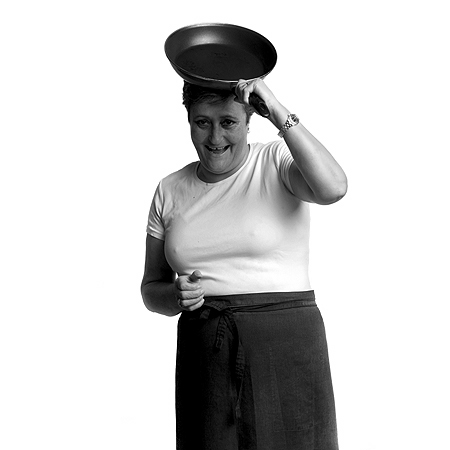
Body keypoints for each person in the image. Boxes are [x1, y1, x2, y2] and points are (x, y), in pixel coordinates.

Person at [141, 78, 347, 450]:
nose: (215, 136)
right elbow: (151, 288)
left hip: (285, 344)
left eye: (228, 122)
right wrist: (174, 296)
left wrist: (277, 109)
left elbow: (333, 188)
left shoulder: (275, 160)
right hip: (205, 348)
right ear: (188, 121)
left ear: (250, 119)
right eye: (202, 122)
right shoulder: (169, 190)